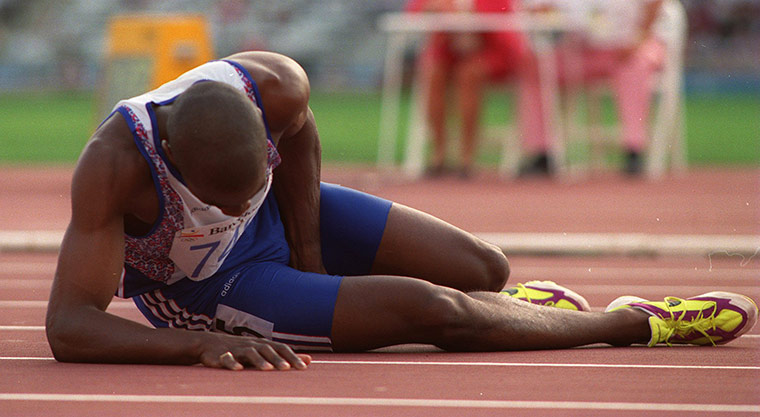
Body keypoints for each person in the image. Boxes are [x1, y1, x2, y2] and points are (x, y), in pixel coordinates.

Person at [46, 51, 757, 371]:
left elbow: (300, 137)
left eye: (251, 183)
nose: (234, 209)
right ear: (171, 164)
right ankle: (635, 320)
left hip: (284, 226)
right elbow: (70, 328)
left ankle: (523, 311)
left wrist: (311, 252)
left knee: (484, 267)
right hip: (206, 284)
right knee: (435, 310)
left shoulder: (275, 87)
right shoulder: (114, 170)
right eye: (220, 202)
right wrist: (197, 343)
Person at [518, 0, 668, 176]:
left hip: (630, 45)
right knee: (537, 67)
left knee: (635, 64)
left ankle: (634, 149)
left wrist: (639, 37)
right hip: (578, 51)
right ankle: (542, 152)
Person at [405, 0, 527, 178]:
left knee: (469, 74)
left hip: (490, 50)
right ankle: (439, 152)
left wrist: (469, 20)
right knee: (434, 73)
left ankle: (467, 156)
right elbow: (416, 13)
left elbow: (501, 22)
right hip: (449, 51)